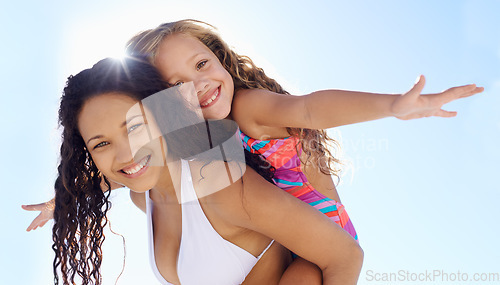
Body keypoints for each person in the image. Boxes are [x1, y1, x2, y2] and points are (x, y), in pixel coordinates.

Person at [122, 19, 484, 283]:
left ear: (220, 59)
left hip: (323, 244)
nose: (199, 85)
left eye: (202, 65)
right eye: (177, 85)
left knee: (305, 278)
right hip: (282, 243)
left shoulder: (248, 109)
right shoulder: (199, 142)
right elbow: (142, 168)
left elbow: (308, 108)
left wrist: (391, 106)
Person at [46, 56, 363, 285]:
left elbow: (345, 255)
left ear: (163, 116)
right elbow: (119, 172)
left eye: (134, 128)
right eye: (101, 144)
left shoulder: (220, 186)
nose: (126, 153)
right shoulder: (144, 197)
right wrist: (64, 197)